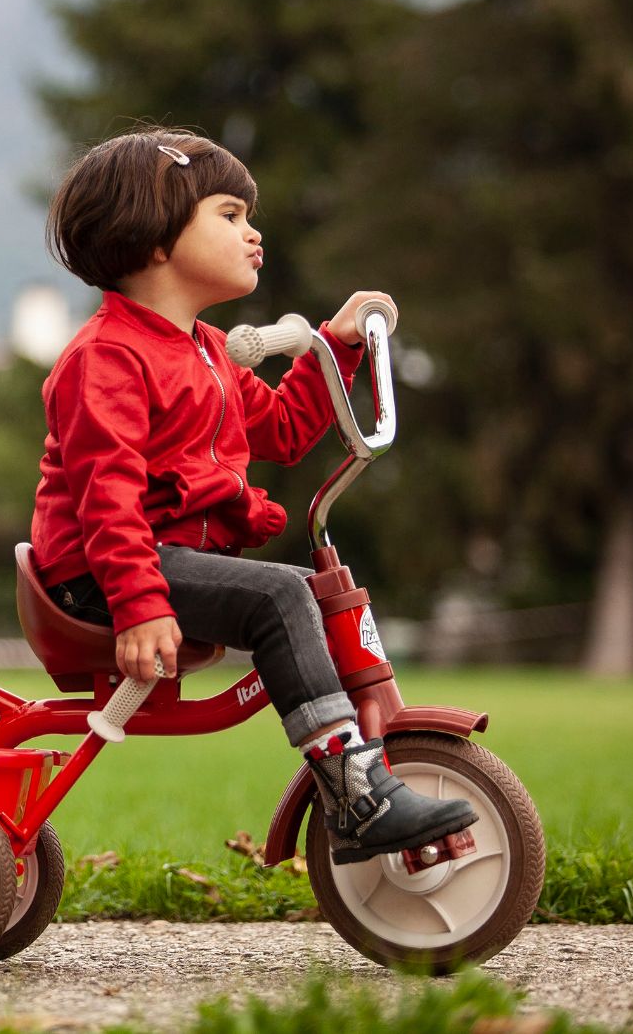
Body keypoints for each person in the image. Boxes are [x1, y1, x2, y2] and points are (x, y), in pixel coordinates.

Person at [30, 128, 475, 865]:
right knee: (280, 598)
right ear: (155, 239)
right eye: (230, 214)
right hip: (99, 575)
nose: (253, 231)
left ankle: (360, 774)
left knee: (308, 594)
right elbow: (105, 495)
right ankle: (357, 797)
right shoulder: (105, 357)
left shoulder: (205, 350)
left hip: (159, 562)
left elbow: (287, 429)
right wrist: (138, 603)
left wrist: (336, 344)